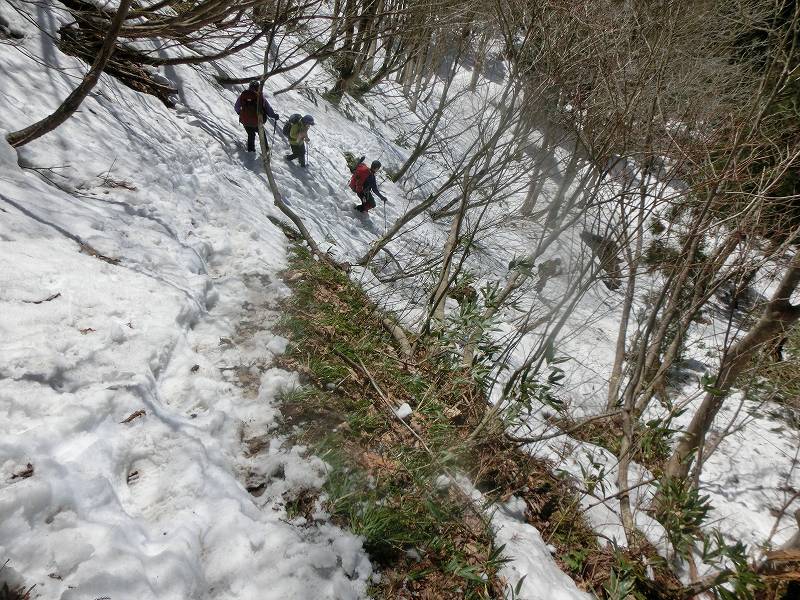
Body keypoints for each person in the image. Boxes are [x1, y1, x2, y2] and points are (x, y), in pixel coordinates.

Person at [234, 81, 279, 152]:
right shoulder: (260, 97)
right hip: (257, 122)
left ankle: (251, 151)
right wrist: (274, 116)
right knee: (262, 134)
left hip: (245, 121)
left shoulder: (243, 95)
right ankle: (265, 149)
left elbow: (236, 107)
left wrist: (241, 114)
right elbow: (268, 109)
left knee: (251, 134)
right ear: (258, 87)